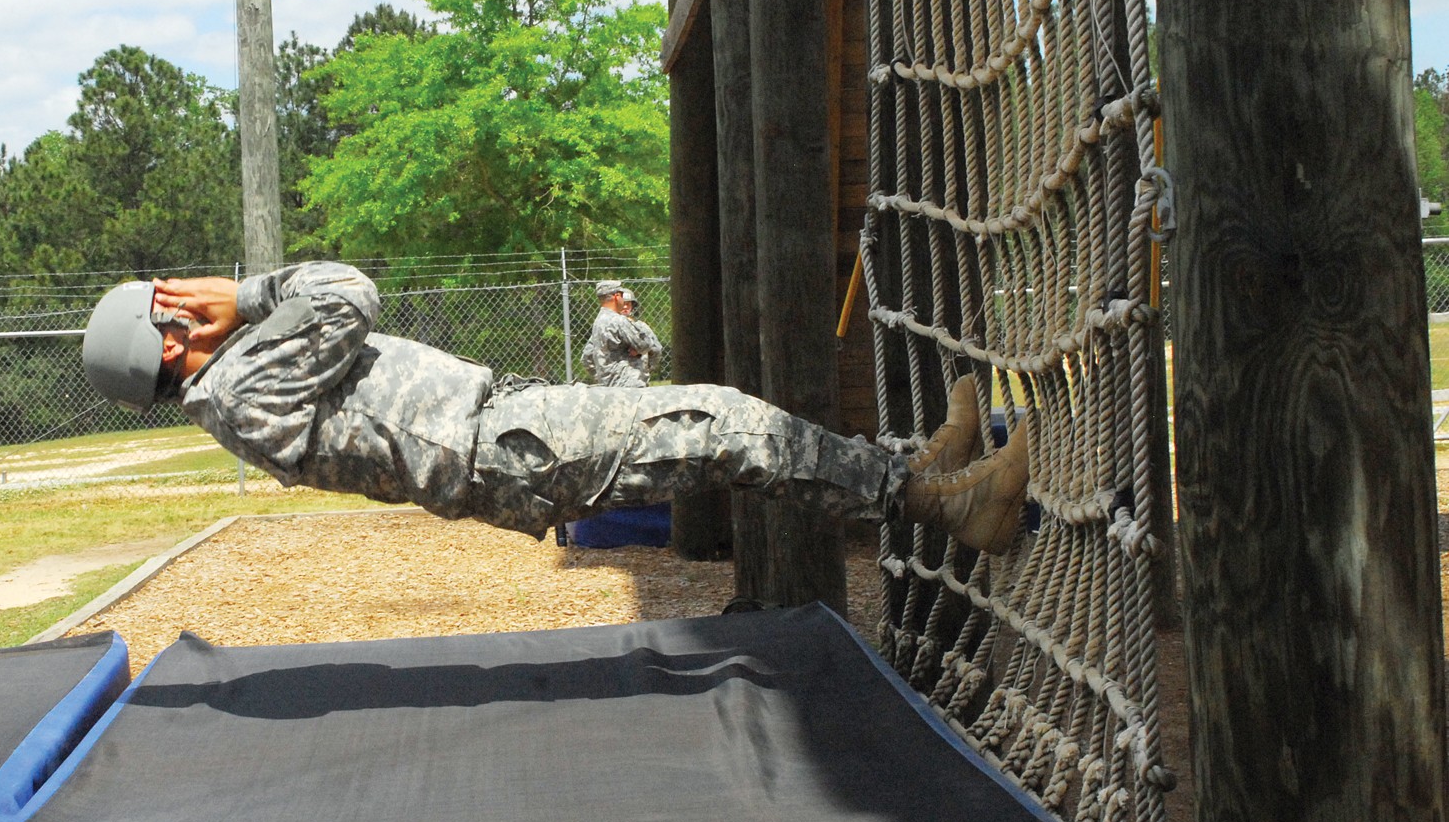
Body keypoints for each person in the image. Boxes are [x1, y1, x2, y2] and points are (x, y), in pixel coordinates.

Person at [83, 261, 1027, 553]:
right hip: (503, 447)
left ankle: (915, 468)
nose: (191, 301)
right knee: (725, 420)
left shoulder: (235, 387)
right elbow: (349, 293)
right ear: (169, 341)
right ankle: (939, 502)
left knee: (722, 424)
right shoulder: (242, 380)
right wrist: (244, 291)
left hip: (507, 427)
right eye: (175, 306)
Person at [580, 279, 664, 387]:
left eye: (628, 304)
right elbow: (645, 345)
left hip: (608, 385)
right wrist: (640, 353)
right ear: (616, 296)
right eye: (622, 298)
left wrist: (601, 376)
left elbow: (587, 356)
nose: (625, 305)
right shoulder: (620, 321)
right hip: (628, 384)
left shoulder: (598, 322)